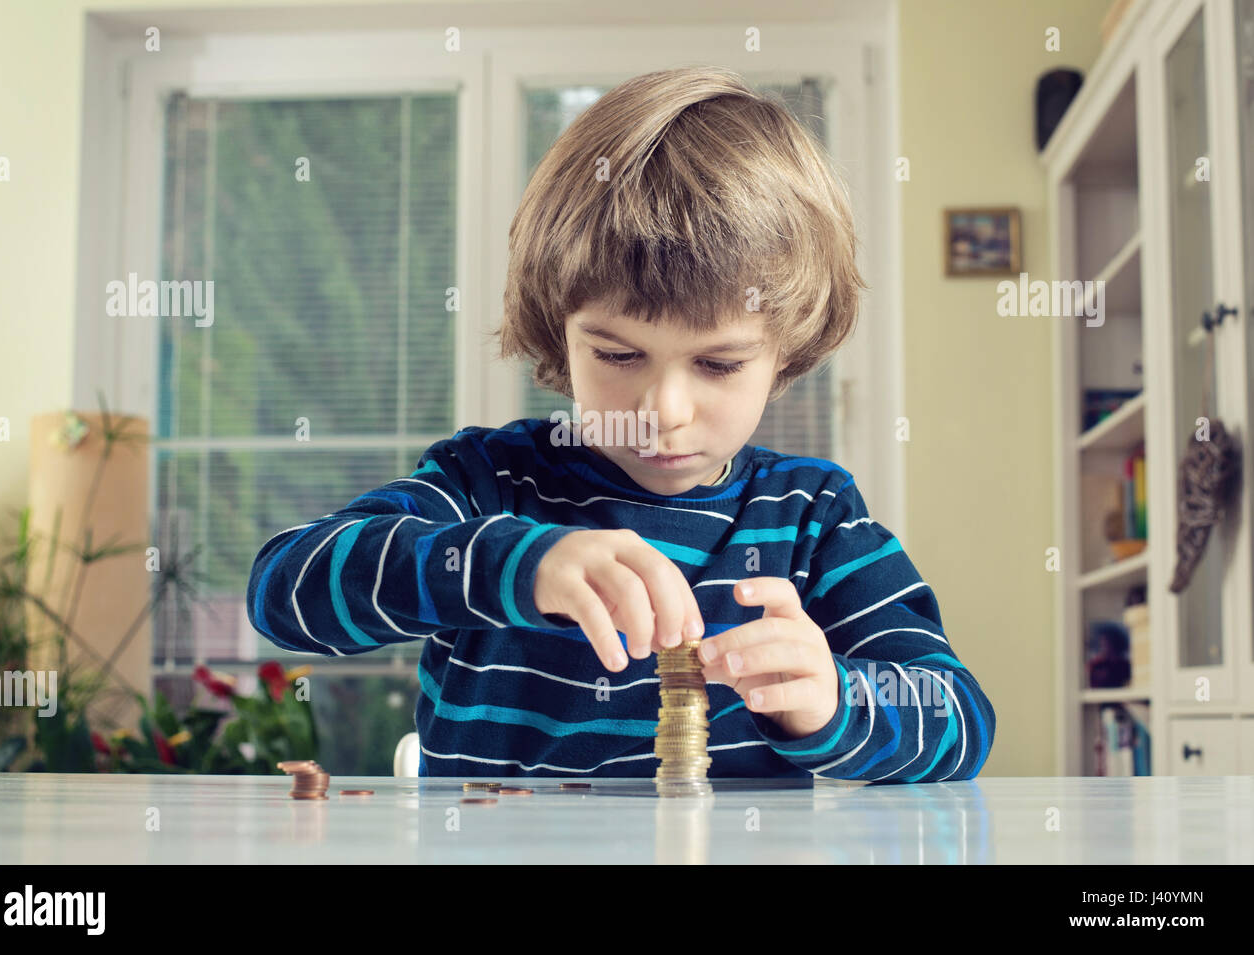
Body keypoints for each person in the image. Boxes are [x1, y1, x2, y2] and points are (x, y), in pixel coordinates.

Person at [248, 67, 996, 781]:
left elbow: (958, 713)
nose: (663, 411)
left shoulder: (812, 518)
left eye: (720, 364)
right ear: (560, 331)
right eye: (617, 352)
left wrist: (834, 702)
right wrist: (517, 564)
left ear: (786, 350)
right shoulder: (491, 484)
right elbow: (283, 590)